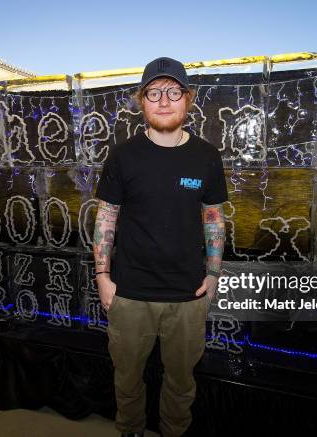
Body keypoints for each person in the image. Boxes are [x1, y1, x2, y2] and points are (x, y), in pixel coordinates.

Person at [93, 57, 228, 437]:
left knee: (181, 381)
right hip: (130, 293)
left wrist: (214, 273)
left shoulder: (206, 156)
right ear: (142, 100)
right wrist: (103, 276)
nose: (164, 101)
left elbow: (214, 218)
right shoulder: (123, 155)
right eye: (154, 92)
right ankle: (130, 430)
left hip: (188, 294)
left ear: (188, 99)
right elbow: (106, 217)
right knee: (127, 378)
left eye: (173, 91)